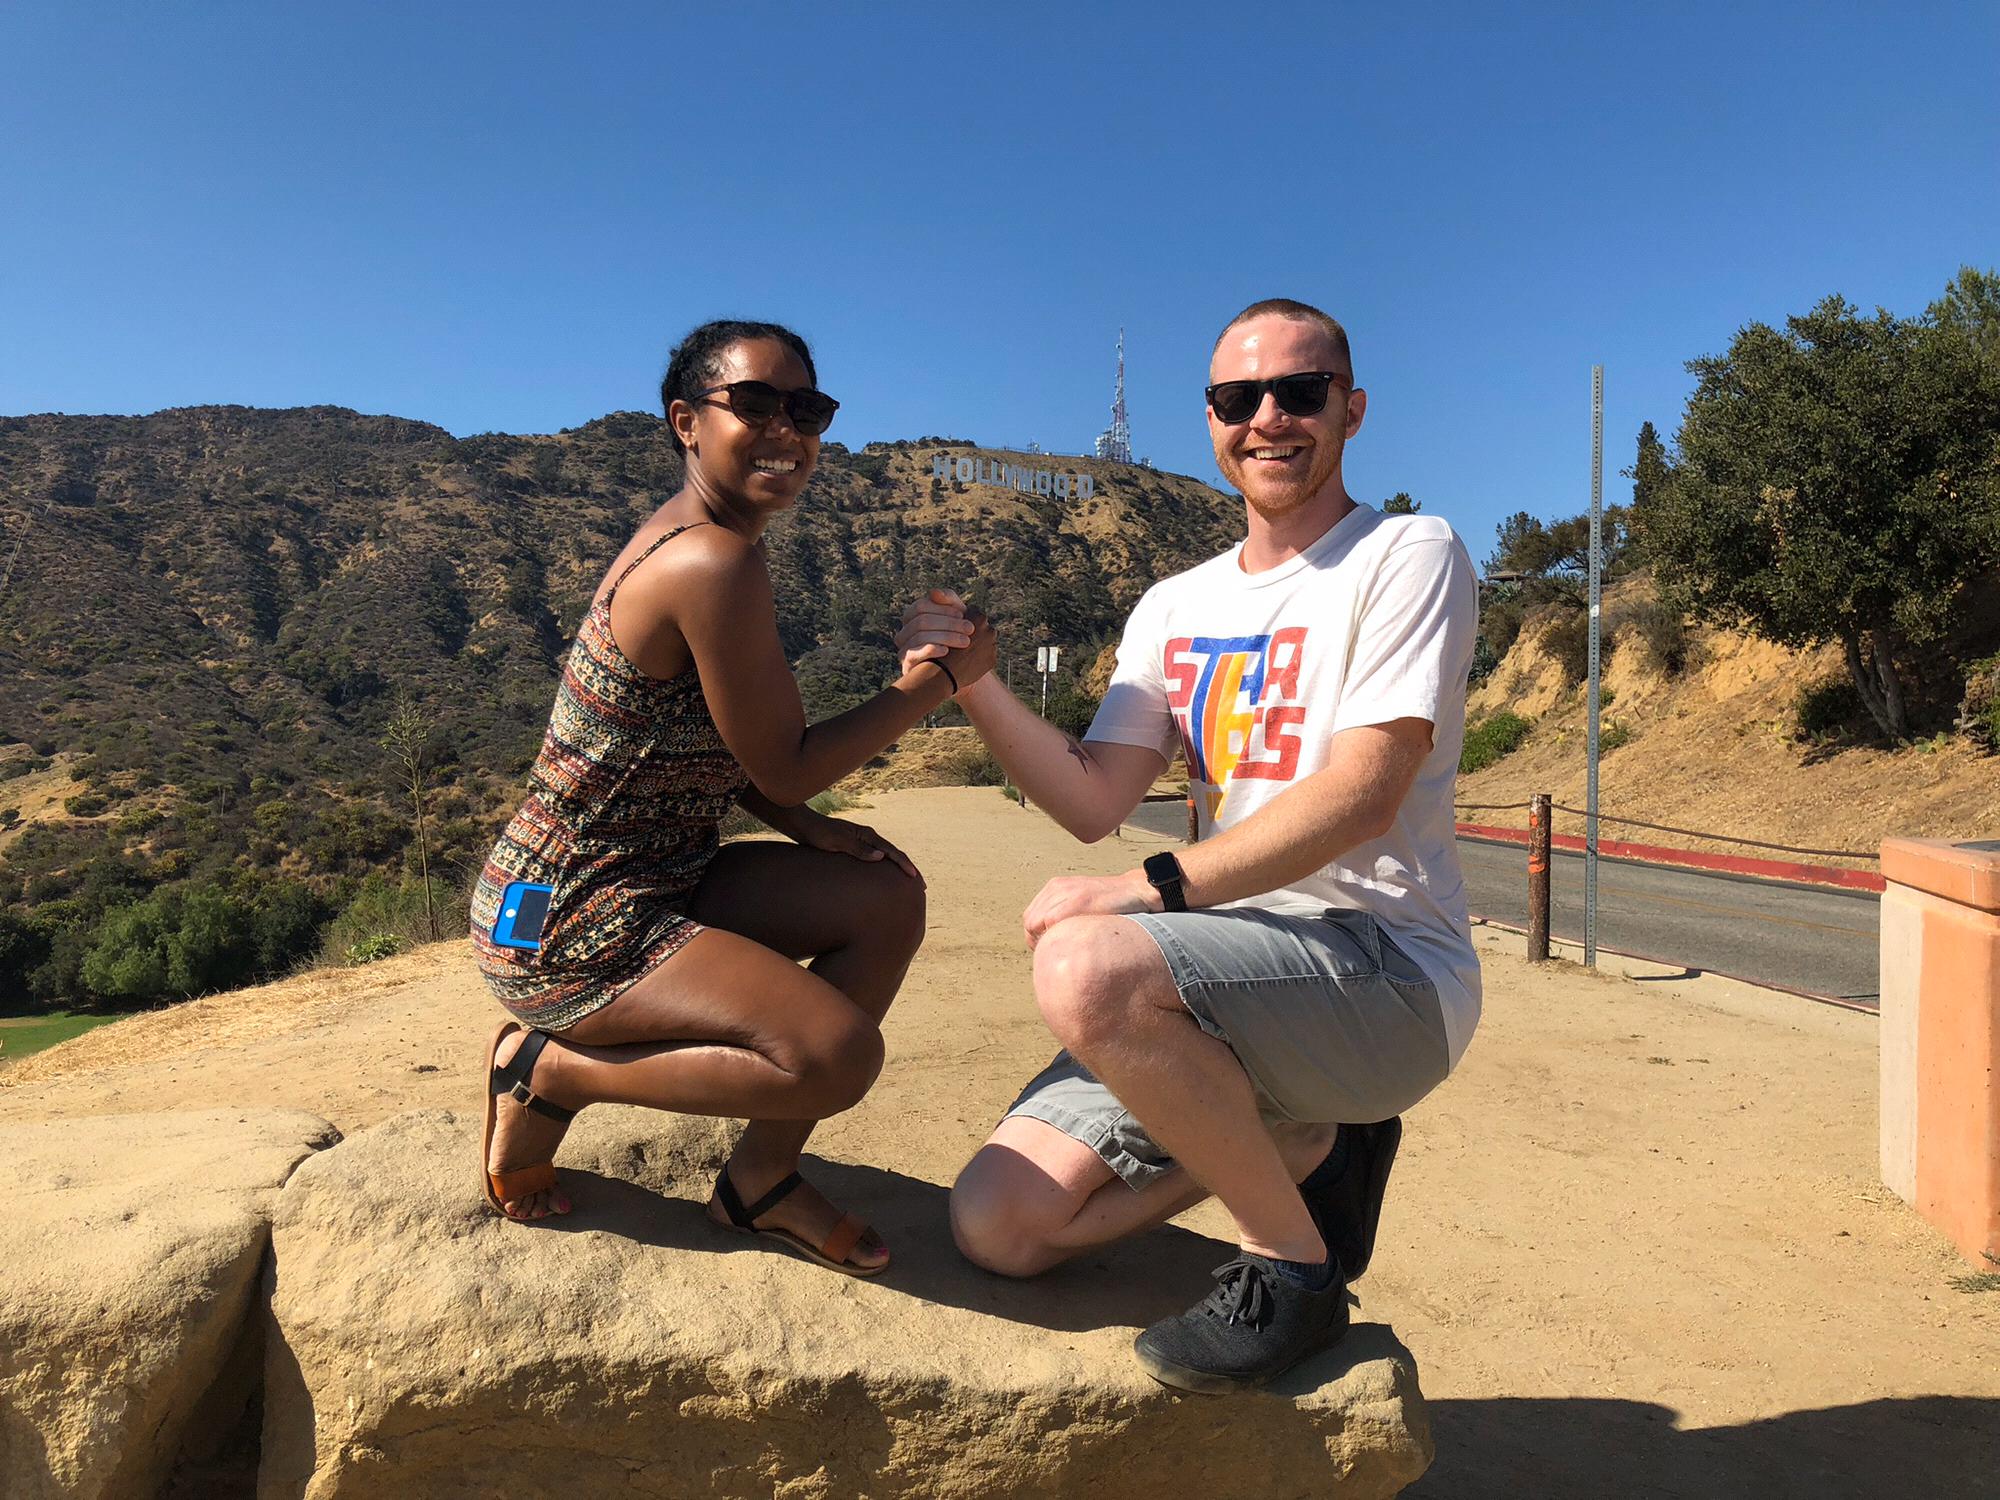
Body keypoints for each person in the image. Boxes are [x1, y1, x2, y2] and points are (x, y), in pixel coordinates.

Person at [917, 298, 1480, 1389]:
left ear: (1350, 409)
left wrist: (1142, 889)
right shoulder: (1174, 605)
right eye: (1237, 399)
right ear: (1210, 422)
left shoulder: (1408, 551)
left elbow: (1363, 793)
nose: (1268, 419)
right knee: (999, 1225)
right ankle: (1313, 1145)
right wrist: (974, 685)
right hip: (1218, 979)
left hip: (1381, 970)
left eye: (1298, 393)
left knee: (1084, 962)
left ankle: (1292, 1269)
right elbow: (1091, 796)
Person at [470, 318, 993, 1277]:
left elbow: (729, 746)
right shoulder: (710, 560)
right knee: (832, 1059)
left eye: (808, 409)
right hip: (564, 918)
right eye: (753, 403)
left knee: (885, 894)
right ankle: (547, 1070)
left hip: (657, 877)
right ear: (686, 421)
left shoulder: (710, 544)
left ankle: (760, 1183)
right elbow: (788, 760)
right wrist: (938, 684)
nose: (786, 429)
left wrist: (809, 828)